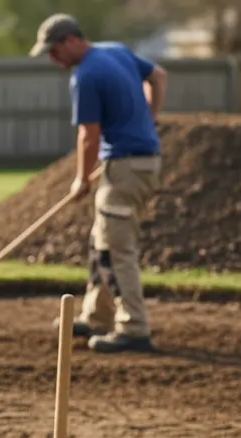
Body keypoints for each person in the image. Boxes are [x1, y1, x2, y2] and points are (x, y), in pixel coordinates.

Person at [32, 13, 167, 353]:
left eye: (54, 50)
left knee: (116, 249)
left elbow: (88, 136)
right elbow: (158, 76)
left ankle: (134, 327)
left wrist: (80, 179)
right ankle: (97, 316)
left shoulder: (87, 75)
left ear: (70, 41)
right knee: (100, 242)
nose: (53, 59)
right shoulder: (117, 51)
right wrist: (150, 120)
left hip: (125, 168)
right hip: (136, 163)